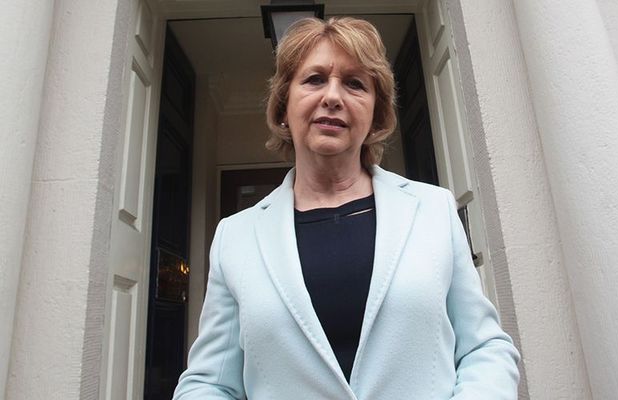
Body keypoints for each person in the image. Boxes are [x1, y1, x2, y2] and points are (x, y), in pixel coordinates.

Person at [173, 17, 520, 400]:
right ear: (284, 104)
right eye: (315, 79)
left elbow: (484, 348)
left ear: (375, 113)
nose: (333, 97)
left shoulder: (433, 209)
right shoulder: (234, 237)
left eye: (355, 83)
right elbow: (210, 384)